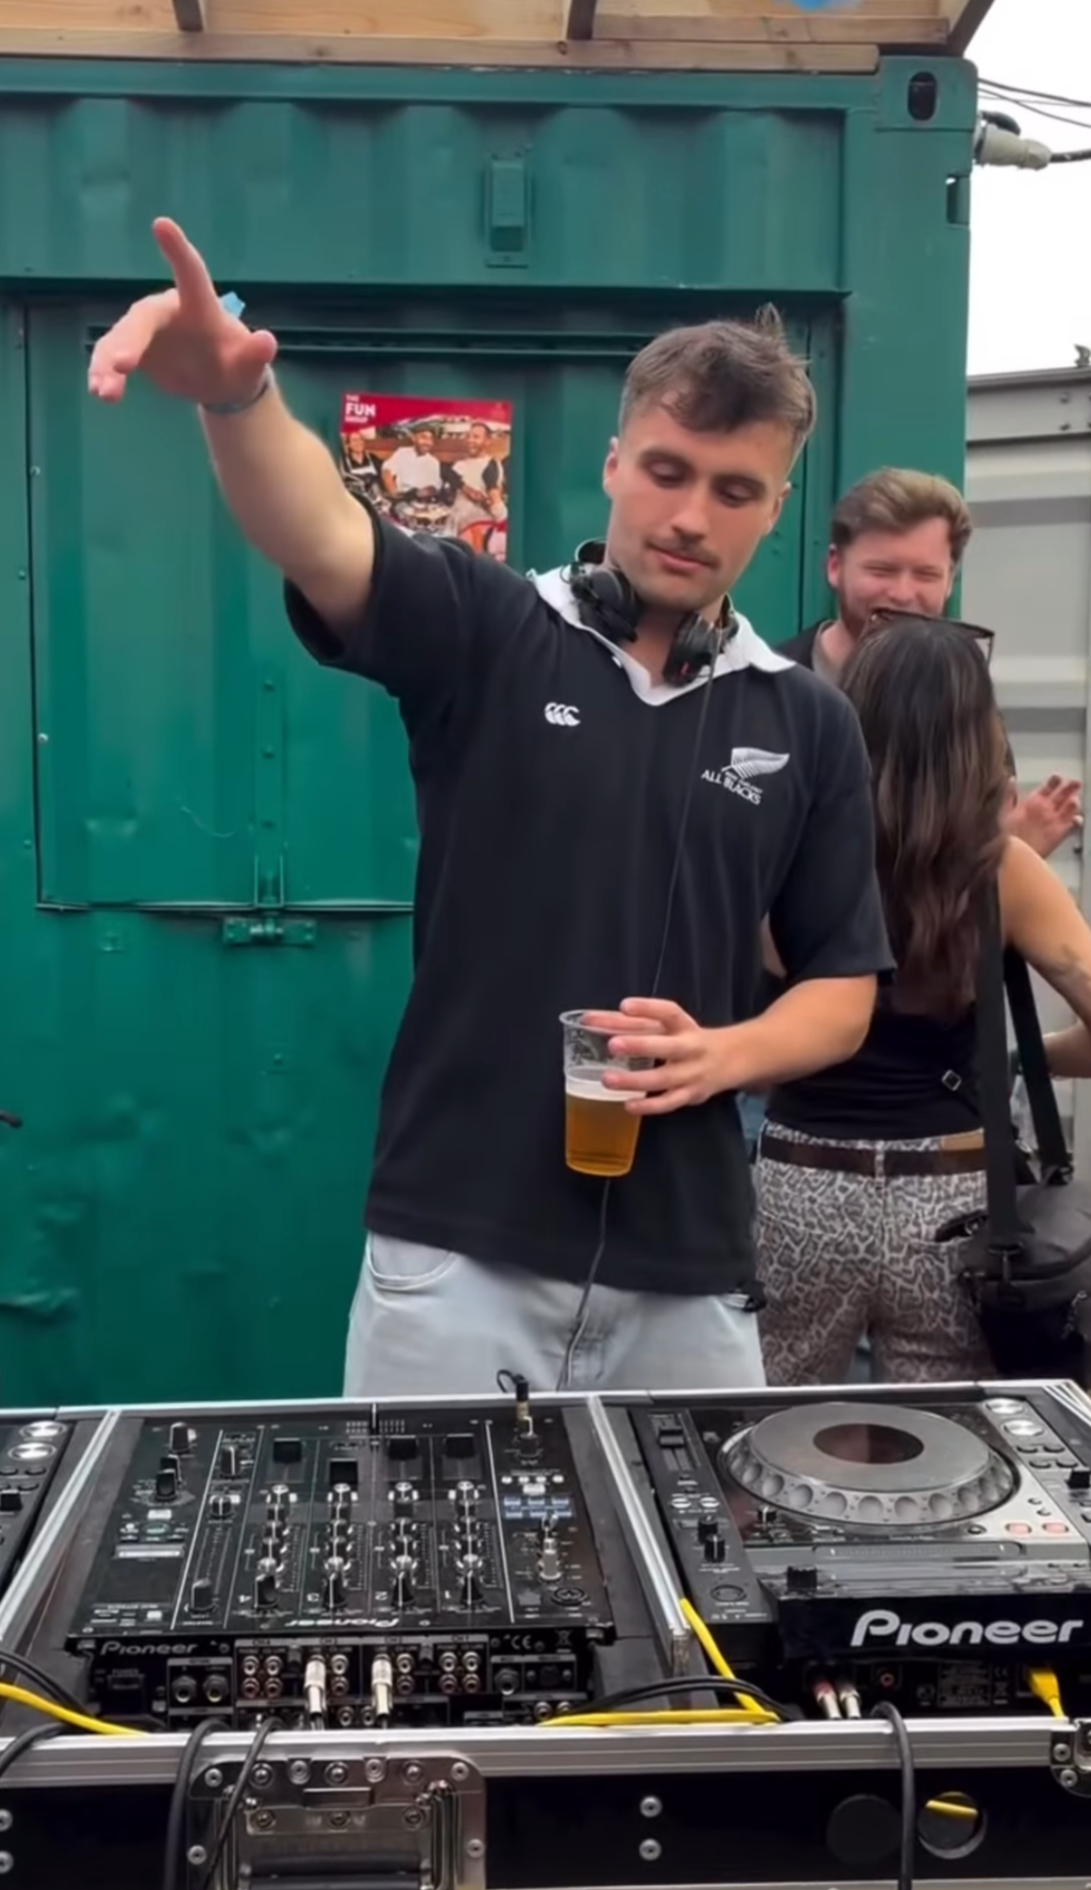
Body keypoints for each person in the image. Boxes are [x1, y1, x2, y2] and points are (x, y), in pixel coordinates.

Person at [89, 218, 891, 1398]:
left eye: (733, 490)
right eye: (666, 472)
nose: (689, 515)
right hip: (456, 1258)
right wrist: (237, 403)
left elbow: (841, 986)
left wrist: (727, 1053)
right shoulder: (492, 628)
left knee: (686, 1588)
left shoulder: (804, 719)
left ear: (773, 510)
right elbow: (320, 529)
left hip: (691, 1273)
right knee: (418, 1585)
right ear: (615, 462)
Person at [754, 613, 1091, 1387]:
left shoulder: (789, 847)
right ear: (978, 733)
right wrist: (1011, 1056)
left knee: (776, 1430)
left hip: (803, 1181)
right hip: (954, 1202)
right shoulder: (1002, 866)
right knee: (953, 1440)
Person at [776, 467, 1082, 860]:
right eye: (882, 570)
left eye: (925, 575)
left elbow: (967, 856)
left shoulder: (962, 685)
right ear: (835, 566)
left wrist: (1011, 853)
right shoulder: (772, 685)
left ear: (951, 579)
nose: (903, 594)